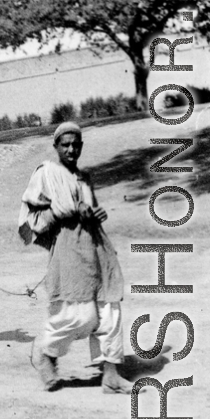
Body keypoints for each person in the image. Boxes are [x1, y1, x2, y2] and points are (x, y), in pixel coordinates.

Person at [18, 121, 134, 394]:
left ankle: (111, 376)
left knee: (109, 310)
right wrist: (61, 212)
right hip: (69, 248)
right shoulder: (46, 173)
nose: (71, 149)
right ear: (56, 146)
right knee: (79, 315)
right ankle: (47, 355)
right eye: (65, 144)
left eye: (76, 144)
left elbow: (87, 209)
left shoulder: (84, 178)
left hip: (96, 246)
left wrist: (95, 214)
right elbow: (28, 223)